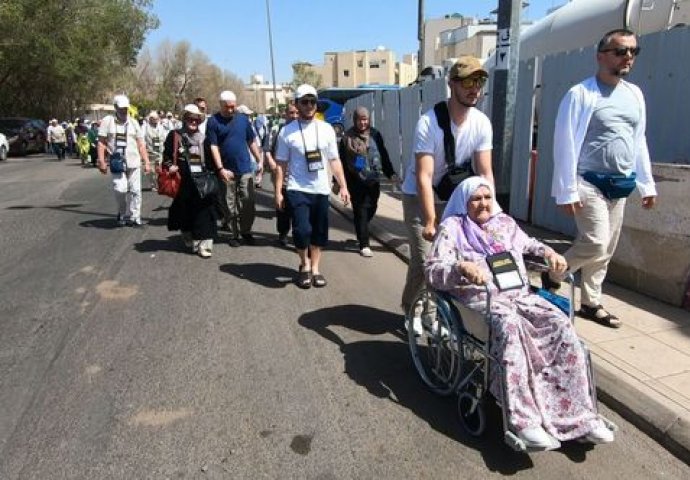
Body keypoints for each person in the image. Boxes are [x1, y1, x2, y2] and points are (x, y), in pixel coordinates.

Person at [425, 176, 614, 450]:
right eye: (475, 199)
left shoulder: (505, 223)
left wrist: (550, 253)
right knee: (511, 328)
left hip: (519, 295)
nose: (483, 204)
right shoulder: (453, 228)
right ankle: (525, 422)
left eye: (487, 197)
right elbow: (432, 271)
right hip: (481, 300)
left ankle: (580, 415)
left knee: (559, 324)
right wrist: (460, 268)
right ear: (464, 202)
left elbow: (530, 244)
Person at [545, 29, 657, 328]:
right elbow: (564, 142)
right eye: (620, 51)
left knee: (605, 250)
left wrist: (646, 184)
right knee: (595, 242)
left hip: (620, 183)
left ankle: (591, 303)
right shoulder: (581, 94)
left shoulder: (635, 95)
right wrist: (566, 191)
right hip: (589, 181)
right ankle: (554, 273)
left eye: (634, 51)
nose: (628, 57)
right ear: (601, 55)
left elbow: (638, 140)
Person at [400, 55, 494, 321]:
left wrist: (491, 212)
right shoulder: (429, 123)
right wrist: (430, 220)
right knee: (425, 259)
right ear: (452, 84)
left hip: (453, 197)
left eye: (479, 81)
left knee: (448, 259)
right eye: (467, 81)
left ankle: (427, 311)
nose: (474, 87)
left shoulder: (481, 123)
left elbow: (485, 172)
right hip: (419, 197)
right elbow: (423, 176)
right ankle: (416, 311)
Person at [274, 84, 350, 288]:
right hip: (297, 188)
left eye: (312, 101)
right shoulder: (286, 132)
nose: (309, 105)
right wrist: (277, 192)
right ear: (297, 104)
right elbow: (280, 165)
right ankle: (304, 264)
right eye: (304, 102)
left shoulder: (326, 130)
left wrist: (343, 186)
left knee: (318, 232)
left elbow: (334, 160)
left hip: (321, 189)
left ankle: (315, 269)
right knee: (301, 231)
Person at [206, 90, 264, 246]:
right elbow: (213, 146)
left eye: (233, 106)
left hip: (245, 168)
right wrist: (220, 169)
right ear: (220, 105)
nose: (231, 110)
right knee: (228, 203)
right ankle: (234, 234)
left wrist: (259, 160)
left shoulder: (243, 120)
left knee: (248, 201)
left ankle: (246, 230)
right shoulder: (213, 122)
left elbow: (251, 141)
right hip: (226, 170)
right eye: (227, 107)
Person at [339, 106, 398, 257]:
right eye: (360, 120)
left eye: (365, 119)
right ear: (355, 120)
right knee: (361, 211)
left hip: (373, 179)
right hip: (355, 180)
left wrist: (390, 173)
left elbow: (383, 155)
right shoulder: (347, 137)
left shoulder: (375, 134)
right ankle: (364, 243)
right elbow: (341, 161)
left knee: (372, 207)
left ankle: (361, 227)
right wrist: (339, 182)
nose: (362, 123)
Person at [164, 104, 217, 258]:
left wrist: (215, 173)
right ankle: (190, 237)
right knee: (186, 213)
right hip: (183, 182)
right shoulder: (175, 136)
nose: (193, 122)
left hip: (202, 181)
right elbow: (166, 157)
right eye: (190, 119)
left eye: (196, 119)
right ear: (185, 119)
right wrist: (170, 166)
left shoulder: (204, 138)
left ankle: (205, 245)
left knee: (205, 213)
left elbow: (211, 160)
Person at [96, 94, 151, 227]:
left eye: (126, 108)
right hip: (117, 163)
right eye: (121, 108)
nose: (124, 111)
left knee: (136, 191)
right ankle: (121, 212)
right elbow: (101, 143)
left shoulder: (133, 122)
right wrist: (101, 161)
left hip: (133, 161)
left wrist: (147, 162)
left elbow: (141, 143)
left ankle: (135, 217)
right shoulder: (108, 121)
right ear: (115, 107)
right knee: (120, 189)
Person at [266, 102, 299, 246]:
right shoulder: (276, 129)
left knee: (299, 207)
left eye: (297, 113)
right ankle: (283, 233)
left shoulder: (303, 129)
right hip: (281, 174)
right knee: (283, 205)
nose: (295, 116)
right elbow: (266, 149)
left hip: (299, 175)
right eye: (291, 113)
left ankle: (299, 234)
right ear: (286, 114)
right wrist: (272, 164)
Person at [143, 111, 166, 190]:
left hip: (160, 151)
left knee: (159, 168)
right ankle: (153, 184)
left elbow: (164, 137)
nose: (156, 120)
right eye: (154, 119)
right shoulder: (145, 127)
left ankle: (159, 183)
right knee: (151, 170)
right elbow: (142, 139)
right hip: (150, 152)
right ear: (150, 119)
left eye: (157, 119)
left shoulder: (161, 127)